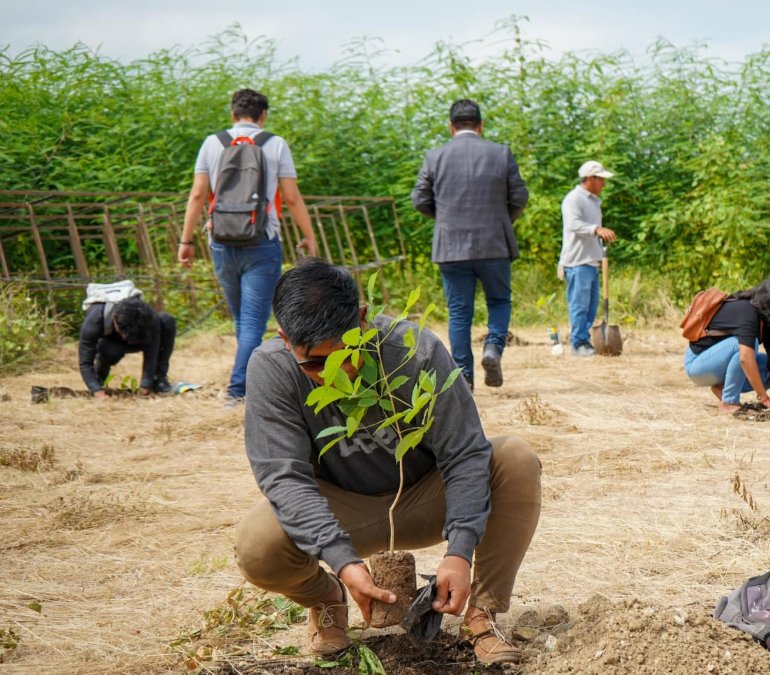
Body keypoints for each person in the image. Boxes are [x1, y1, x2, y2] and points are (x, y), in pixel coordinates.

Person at [234, 259, 541, 665]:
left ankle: (482, 615)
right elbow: (284, 478)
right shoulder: (271, 368)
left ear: (362, 321)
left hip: (423, 498)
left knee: (514, 458)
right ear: (284, 339)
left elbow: (464, 453)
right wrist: (342, 562)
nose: (333, 376)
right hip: (341, 509)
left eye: (345, 356)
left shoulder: (414, 351)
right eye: (313, 364)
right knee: (257, 544)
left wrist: (460, 550)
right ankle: (326, 599)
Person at [178, 88, 319, 407]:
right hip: (262, 241)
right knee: (253, 323)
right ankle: (238, 390)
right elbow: (293, 197)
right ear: (263, 115)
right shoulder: (275, 144)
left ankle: (243, 384)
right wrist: (308, 236)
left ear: (232, 114)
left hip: (221, 242)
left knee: (243, 321)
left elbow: (198, 195)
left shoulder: (213, 143)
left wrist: (185, 241)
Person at [412, 99, 529, 389]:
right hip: (494, 244)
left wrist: (446, 220)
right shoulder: (501, 154)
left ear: (451, 127)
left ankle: (463, 376)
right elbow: (520, 197)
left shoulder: (435, 156)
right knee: (499, 301)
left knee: (459, 311)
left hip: (451, 247)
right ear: (480, 125)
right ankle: (493, 348)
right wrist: (502, 220)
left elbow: (419, 200)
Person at [683, 274, 770, 414]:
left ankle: (723, 388)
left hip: (721, 362)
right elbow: (745, 358)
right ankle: (729, 401)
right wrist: (765, 400)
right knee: (748, 345)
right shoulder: (747, 311)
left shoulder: (763, 313)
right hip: (698, 365)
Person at [559, 160, 617, 357]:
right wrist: (596, 229)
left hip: (591, 260)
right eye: (601, 179)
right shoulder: (573, 199)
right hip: (577, 261)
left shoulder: (593, 201)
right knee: (579, 305)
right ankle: (578, 343)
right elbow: (574, 224)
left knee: (591, 306)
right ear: (590, 178)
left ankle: (585, 340)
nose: (604, 184)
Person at [78, 296, 175, 398]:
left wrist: (146, 384)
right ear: (114, 318)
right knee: (111, 351)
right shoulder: (94, 320)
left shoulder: (148, 316)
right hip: (110, 341)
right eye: (124, 332)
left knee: (167, 320)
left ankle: (158, 379)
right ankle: (101, 372)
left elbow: (152, 352)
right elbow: (85, 362)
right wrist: (96, 389)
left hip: (141, 334)